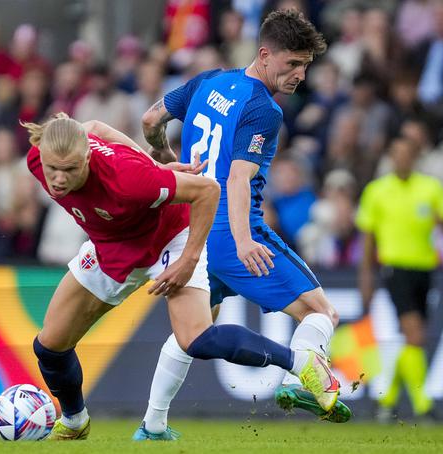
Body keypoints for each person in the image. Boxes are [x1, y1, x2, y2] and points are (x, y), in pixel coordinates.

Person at [24, 113, 339, 441]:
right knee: (50, 347)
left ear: (88, 156)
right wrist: (152, 166)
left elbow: (207, 190)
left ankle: (300, 362)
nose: (58, 179)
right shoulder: (39, 158)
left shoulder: (129, 180)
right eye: (53, 169)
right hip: (112, 247)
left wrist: (188, 258)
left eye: (71, 169)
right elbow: (95, 127)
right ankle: (75, 422)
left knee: (197, 339)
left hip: (169, 239)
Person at [136, 10, 350, 440]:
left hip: (188, 233)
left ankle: (153, 426)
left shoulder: (208, 80)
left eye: (306, 66)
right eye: (292, 64)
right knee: (321, 311)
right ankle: (298, 380)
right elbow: (236, 178)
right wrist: (243, 239)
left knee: (190, 333)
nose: (300, 75)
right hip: (231, 233)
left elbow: (150, 120)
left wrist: (163, 156)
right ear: (265, 54)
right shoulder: (264, 109)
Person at [357, 137, 443, 422]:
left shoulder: (431, 188)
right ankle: (424, 406)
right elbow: (368, 242)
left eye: (407, 155)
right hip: (395, 270)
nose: (401, 160)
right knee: (415, 335)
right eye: (397, 155)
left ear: (415, 158)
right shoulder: (377, 191)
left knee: (413, 340)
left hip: (424, 270)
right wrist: (365, 278)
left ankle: (386, 403)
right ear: (391, 158)